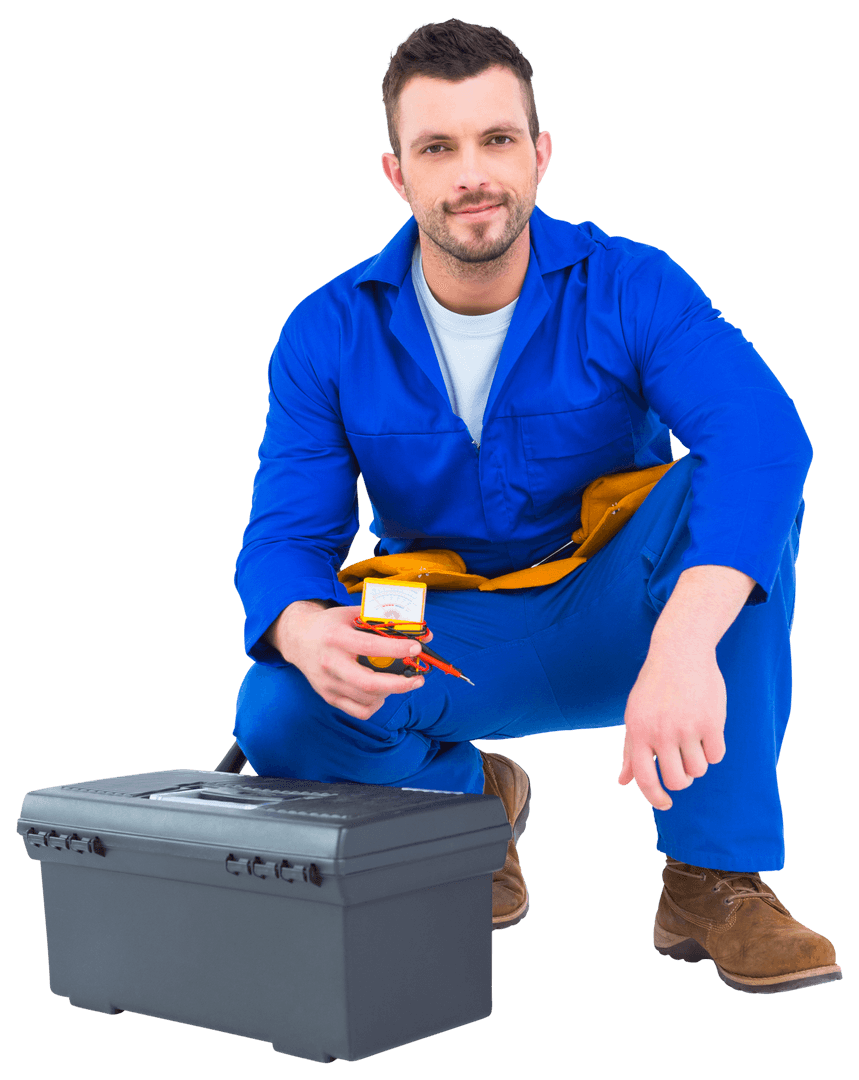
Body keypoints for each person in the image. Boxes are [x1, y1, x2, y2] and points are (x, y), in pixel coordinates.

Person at [233, 18, 841, 993]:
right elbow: (284, 537)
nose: (472, 173)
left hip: (622, 619)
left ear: (539, 154)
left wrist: (684, 646)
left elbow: (765, 438)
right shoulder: (326, 330)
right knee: (275, 708)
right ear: (398, 174)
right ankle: (465, 807)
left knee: (732, 499)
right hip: (448, 629)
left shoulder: (630, 283)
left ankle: (711, 879)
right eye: (439, 147)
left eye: (496, 139)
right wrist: (303, 627)